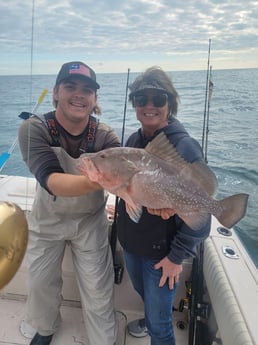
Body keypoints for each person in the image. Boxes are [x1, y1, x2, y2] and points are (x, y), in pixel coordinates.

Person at [18, 61, 120, 345]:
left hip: (91, 221)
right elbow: (51, 180)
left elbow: (125, 175)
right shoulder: (34, 128)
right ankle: (46, 327)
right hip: (47, 218)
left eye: (87, 90)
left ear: (95, 99)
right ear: (55, 92)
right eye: (70, 87)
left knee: (99, 289)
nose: (79, 94)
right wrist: (107, 178)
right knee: (40, 283)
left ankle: (104, 340)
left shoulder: (106, 136)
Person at [116, 66, 214, 345]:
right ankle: (150, 315)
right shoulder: (135, 141)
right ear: (133, 104)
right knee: (144, 296)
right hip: (133, 244)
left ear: (170, 104)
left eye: (158, 99)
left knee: (160, 327)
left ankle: (155, 324)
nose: (149, 106)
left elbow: (202, 210)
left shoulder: (184, 146)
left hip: (162, 255)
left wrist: (176, 257)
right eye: (140, 99)